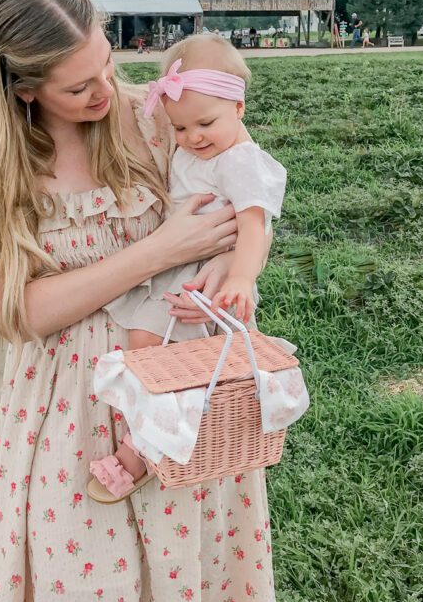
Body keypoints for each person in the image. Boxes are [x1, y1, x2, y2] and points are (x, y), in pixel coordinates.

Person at [0, 0, 284, 602]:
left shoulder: (158, 119)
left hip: (180, 390)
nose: (105, 92)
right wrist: (156, 252)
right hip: (66, 411)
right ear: (24, 89)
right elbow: (17, 310)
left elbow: (242, 201)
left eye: (107, 66)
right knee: (86, 597)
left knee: (187, 582)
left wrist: (228, 271)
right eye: (78, 85)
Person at [89, 35, 286, 501]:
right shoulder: (206, 148)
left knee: (153, 348)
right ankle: (155, 436)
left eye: (205, 123)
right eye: (180, 128)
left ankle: (143, 447)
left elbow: (254, 222)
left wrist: (240, 276)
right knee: (156, 351)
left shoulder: (237, 159)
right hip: (183, 261)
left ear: (238, 108)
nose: (193, 137)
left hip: (206, 271)